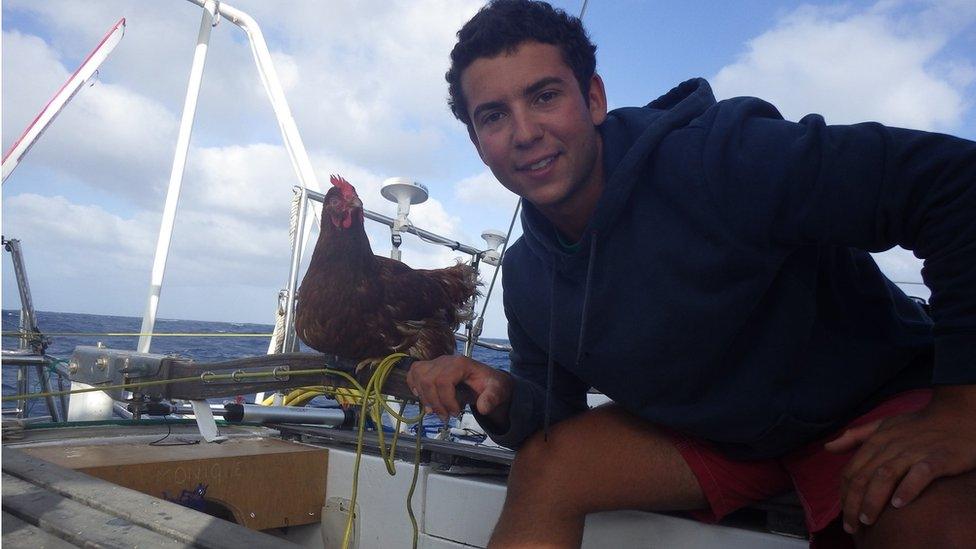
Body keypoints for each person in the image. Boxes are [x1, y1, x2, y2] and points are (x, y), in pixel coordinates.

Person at [406, 1, 976, 547]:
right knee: (546, 464)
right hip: (721, 439)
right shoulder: (528, 274)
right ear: (479, 145)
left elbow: (954, 186)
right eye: (494, 116)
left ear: (594, 99)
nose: (525, 131)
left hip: (869, 402)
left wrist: (962, 408)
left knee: (926, 517)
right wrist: (504, 396)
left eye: (545, 95)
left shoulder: (723, 159)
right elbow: (556, 416)